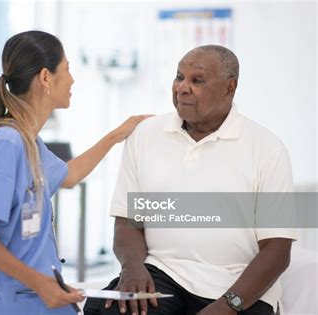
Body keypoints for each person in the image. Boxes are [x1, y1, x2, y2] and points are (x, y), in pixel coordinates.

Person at [84, 45, 296, 315]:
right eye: (179, 77)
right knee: (108, 311)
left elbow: (277, 251)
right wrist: (132, 268)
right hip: (163, 273)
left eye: (197, 80)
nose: (182, 88)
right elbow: (127, 222)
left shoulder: (267, 148)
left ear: (229, 88)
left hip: (236, 283)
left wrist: (226, 306)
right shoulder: (146, 135)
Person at [0, 30, 150, 314]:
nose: (72, 79)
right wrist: (40, 283)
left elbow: (69, 176)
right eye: (67, 69)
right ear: (46, 78)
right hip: (7, 302)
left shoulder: (29, 142)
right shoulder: (5, 145)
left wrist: (117, 134)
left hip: (32, 296)